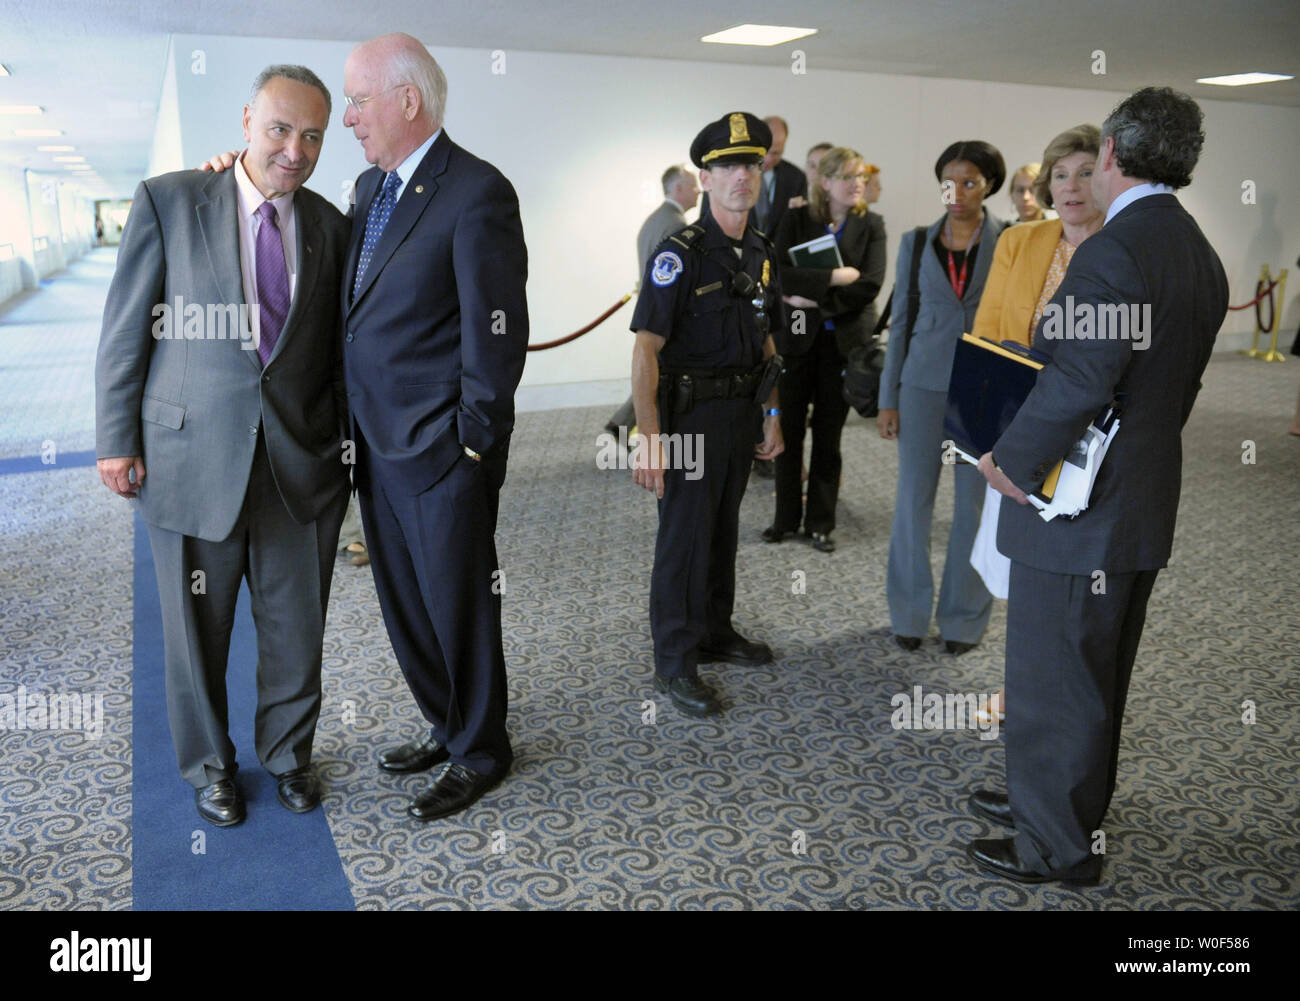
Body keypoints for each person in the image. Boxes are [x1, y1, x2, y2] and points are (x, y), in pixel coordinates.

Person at [966, 87, 1228, 884]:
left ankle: (1057, 847)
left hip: (1084, 509)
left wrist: (1007, 461)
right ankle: (1055, 804)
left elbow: (1079, 380)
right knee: (1092, 668)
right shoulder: (1195, 248)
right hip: (1140, 496)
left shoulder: (1115, 250)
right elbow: (1168, 388)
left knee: (1057, 674)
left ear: (1111, 152)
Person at [95, 66, 351, 827]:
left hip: (297, 465)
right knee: (195, 632)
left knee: (296, 628)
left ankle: (288, 754)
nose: (295, 150)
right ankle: (211, 766)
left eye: (312, 135)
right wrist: (114, 438)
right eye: (280, 129)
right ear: (246, 121)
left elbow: (335, 351)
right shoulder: (170, 201)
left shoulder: (331, 225)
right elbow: (125, 328)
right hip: (189, 459)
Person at [340, 34, 529, 821]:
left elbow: (499, 332)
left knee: (459, 603)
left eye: (357, 100)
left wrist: (472, 444)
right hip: (373, 447)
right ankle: (444, 723)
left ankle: (482, 748)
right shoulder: (365, 188)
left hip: (441, 451)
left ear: (406, 100)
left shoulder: (476, 190)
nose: (349, 118)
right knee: (406, 604)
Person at [629, 111, 784, 718]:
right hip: (688, 418)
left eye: (751, 165)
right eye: (727, 167)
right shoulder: (680, 254)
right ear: (706, 177)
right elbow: (646, 348)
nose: (741, 176)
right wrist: (649, 438)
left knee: (722, 529)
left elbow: (767, 339)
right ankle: (674, 657)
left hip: (740, 412)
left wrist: (771, 414)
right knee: (683, 539)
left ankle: (715, 632)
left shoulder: (763, 251)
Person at [968, 125, 1104, 725]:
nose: (1071, 186)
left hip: (1088, 436)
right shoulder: (1022, 241)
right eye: (1060, 174)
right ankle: (1016, 686)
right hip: (1021, 429)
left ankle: (1057, 697)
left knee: (1069, 574)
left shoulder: (1121, 247)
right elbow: (989, 332)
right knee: (1018, 565)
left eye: (1083, 172)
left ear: (1105, 178)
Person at [877, 140, 1008, 654]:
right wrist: (889, 397)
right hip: (922, 385)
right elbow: (902, 323)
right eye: (948, 183)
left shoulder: (1011, 242)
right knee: (913, 502)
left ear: (990, 185)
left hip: (984, 389)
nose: (956, 193)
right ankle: (908, 614)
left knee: (974, 507)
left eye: (970, 182)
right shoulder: (915, 242)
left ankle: (962, 620)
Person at [766, 147, 885, 553]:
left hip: (843, 347)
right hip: (797, 344)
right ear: (826, 181)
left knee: (829, 437)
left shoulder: (872, 224)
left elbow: (869, 283)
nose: (857, 184)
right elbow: (779, 272)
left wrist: (815, 298)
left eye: (862, 177)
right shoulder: (798, 218)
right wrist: (834, 276)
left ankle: (820, 523)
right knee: (790, 432)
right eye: (848, 177)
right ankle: (784, 519)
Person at [605, 165, 701, 437]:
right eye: (693, 186)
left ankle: (621, 425)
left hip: (652, 310)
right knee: (659, 376)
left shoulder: (655, 219)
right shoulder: (676, 226)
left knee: (653, 373)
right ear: (678, 188)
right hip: (666, 313)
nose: (699, 191)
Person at [700, 115, 806, 238]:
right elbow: (706, 216)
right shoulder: (727, 175)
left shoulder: (796, 178)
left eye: (776, 153)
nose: (769, 159)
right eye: (767, 152)